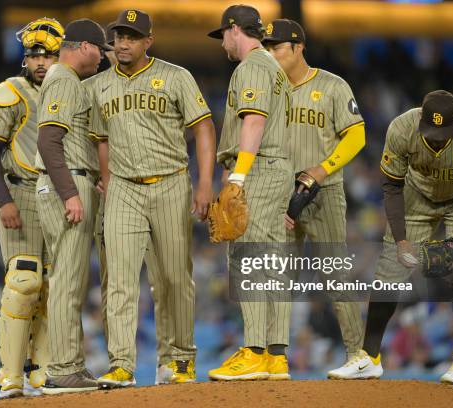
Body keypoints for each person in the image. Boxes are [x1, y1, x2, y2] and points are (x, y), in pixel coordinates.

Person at [89, 8, 216, 388]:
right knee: (120, 280)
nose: (123, 42)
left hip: (171, 183)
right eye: (119, 36)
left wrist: (205, 184)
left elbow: (205, 128)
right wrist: (109, 182)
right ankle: (122, 364)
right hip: (125, 187)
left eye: (132, 36)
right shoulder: (100, 86)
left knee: (174, 278)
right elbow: (102, 140)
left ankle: (178, 359)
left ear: (148, 41)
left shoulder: (176, 77)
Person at [327, 90, 453, 388]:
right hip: (416, 197)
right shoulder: (401, 128)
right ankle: (368, 358)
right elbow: (392, 187)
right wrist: (400, 242)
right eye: (431, 132)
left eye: (444, 133)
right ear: (420, 120)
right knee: (390, 271)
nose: (437, 139)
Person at [262, 19, 365, 369]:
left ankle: (357, 355)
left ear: (298, 46)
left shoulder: (332, 85)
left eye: (276, 46)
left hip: (323, 193)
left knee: (335, 273)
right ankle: (274, 359)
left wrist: (322, 169)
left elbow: (356, 136)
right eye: (267, 47)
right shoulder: (267, 90)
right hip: (280, 194)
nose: (271, 52)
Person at [206, 5, 294, 381]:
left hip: (258, 168)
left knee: (250, 256)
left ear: (234, 30)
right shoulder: (275, 68)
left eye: (223, 34)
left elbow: (254, 120)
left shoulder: (253, 66)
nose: (222, 42)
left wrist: (238, 177)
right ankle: (276, 354)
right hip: (276, 167)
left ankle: (255, 350)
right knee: (272, 260)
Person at [0, 17, 62, 398]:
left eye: (49, 55)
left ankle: (41, 370)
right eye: (34, 55)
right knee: (24, 280)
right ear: (25, 59)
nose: (40, 62)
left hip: (59, 196)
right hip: (21, 192)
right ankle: (10, 375)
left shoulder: (71, 91)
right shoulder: (9, 91)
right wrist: (4, 199)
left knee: (51, 286)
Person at [33, 19, 112, 394]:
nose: (104, 57)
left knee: (70, 279)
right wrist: (70, 193)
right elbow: (49, 141)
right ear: (83, 47)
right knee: (67, 281)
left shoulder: (63, 79)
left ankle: (70, 365)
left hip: (72, 178)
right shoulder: (64, 78)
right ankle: (63, 369)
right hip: (65, 184)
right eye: (101, 49)